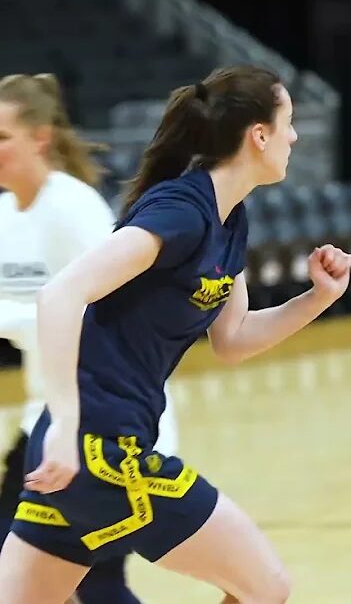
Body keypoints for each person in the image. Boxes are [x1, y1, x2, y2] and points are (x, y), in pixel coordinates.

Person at [0, 65, 351, 604]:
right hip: (99, 449)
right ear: (259, 135)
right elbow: (61, 295)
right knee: (265, 588)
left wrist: (319, 297)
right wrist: (66, 425)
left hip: (95, 448)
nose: (295, 136)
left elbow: (231, 339)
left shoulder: (229, 219)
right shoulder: (180, 212)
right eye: (289, 123)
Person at [0, 73, 178, 604]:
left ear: (40, 138)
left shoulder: (75, 209)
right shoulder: (6, 214)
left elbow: (106, 319)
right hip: (48, 426)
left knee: (84, 582)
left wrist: (11, 318)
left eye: (2, 137)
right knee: (75, 583)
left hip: (105, 428)